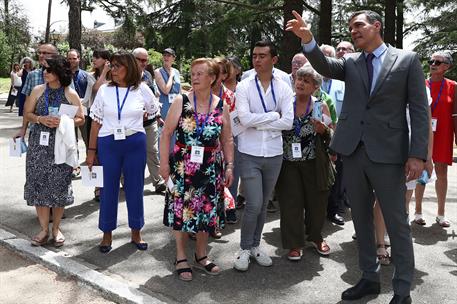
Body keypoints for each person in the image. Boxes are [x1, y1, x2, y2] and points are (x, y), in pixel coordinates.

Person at [287, 10, 429, 304]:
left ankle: (402, 290)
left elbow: (419, 110)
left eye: (359, 25)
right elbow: (323, 64)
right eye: (350, 27)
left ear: (377, 26)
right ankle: (368, 278)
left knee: (396, 223)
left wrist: (418, 155)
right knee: (361, 220)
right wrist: (308, 39)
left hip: (389, 155)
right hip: (352, 152)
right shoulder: (351, 62)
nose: (353, 30)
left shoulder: (407, 60)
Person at [159, 58, 234, 281]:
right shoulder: (181, 101)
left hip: (211, 167)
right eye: (193, 73)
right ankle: (181, 256)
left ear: (212, 78)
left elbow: (227, 139)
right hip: (183, 166)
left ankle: (201, 255)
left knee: (207, 211)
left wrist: (230, 165)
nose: (195, 77)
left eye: (200, 73)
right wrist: (164, 164)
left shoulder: (221, 105)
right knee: (182, 210)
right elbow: (165, 134)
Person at [86, 51, 160, 253]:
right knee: (108, 189)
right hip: (108, 143)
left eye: (118, 66)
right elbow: (95, 123)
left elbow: (153, 112)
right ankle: (107, 233)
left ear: (130, 68)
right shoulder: (104, 91)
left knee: (134, 188)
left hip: (135, 143)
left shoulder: (143, 89)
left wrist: (134, 121)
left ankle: (136, 231)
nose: (113, 69)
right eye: (112, 65)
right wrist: (91, 152)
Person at [233, 41, 293, 272]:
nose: (257, 60)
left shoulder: (284, 87)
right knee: (254, 203)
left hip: (274, 154)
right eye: (254, 56)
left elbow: (288, 122)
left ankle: (256, 246)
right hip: (249, 153)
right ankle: (244, 248)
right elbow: (244, 119)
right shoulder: (244, 86)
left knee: (264, 203)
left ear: (274, 59)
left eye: (262, 56)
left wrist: (259, 122)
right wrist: (271, 116)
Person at [23, 55, 84, 247]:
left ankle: (56, 229)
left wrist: (64, 121)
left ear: (58, 72)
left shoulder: (70, 93)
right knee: (39, 185)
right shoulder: (37, 90)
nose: (44, 72)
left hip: (61, 147)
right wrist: (41, 119)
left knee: (59, 187)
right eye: (44, 69)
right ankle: (43, 229)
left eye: (48, 69)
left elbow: (81, 118)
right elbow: (28, 114)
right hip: (39, 147)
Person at [277, 65, 334, 260]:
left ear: (315, 87)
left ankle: (316, 238)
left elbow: (332, 135)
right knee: (291, 203)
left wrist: (323, 130)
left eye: (306, 80)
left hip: (314, 162)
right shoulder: (285, 103)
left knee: (317, 203)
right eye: (298, 79)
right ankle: (294, 244)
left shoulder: (321, 106)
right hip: (288, 163)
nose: (300, 83)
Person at [413, 52, 456, 227]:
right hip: (424, 134)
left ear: (447, 66)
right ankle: (417, 211)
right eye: (431, 61)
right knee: (420, 172)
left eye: (438, 62)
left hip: (444, 134)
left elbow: (455, 115)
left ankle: (441, 214)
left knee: (442, 173)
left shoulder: (453, 86)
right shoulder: (420, 84)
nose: (433, 64)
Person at [319, 44, 348, 226]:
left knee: (337, 175)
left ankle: (334, 210)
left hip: (340, 135)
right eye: (322, 58)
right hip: (315, 136)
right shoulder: (311, 79)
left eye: (328, 58)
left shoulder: (343, 82)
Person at [133, 47, 166, 194]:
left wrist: (157, 115)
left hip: (149, 122)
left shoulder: (147, 75)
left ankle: (158, 182)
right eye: (140, 59)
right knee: (131, 154)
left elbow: (152, 97)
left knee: (152, 151)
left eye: (145, 60)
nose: (143, 63)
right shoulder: (124, 77)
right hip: (131, 125)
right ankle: (126, 181)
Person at [15, 43, 58, 139]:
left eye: (45, 53)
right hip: (36, 128)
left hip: (59, 129)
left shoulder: (65, 76)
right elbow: (27, 105)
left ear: (55, 56)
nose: (41, 55)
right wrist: (23, 129)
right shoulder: (32, 75)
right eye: (40, 53)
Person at [89, 49, 112, 202]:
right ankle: (97, 187)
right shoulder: (91, 76)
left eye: (97, 58)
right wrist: (104, 72)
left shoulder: (116, 75)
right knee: (96, 155)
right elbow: (96, 89)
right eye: (93, 58)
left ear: (105, 59)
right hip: (95, 119)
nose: (94, 60)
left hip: (110, 121)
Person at [154, 48, 182, 119]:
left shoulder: (176, 72)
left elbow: (180, 91)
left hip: (176, 106)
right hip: (165, 108)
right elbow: (166, 91)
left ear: (174, 58)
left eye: (169, 56)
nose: (166, 57)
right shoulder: (158, 72)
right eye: (164, 55)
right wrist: (171, 76)